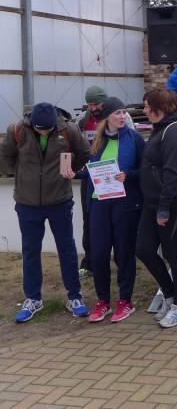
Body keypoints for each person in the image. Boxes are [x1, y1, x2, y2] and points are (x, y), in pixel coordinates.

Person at [1, 102, 91, 321]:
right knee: (30, 251)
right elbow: (6, 156)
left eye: (47, 129)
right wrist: (22, 177)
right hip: (27, 203)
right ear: (32, 123)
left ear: (54, 124)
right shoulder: (17, 130)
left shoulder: (68, 130)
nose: (43, 132)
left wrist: (71, 170)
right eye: (39, 129)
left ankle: (74, 296)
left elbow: (84, 154)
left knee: (66, 248)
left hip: (60, 201)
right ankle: (33, 298)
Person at [135, 89, 177, 329]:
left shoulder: (175, 130)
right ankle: (169, 295)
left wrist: (164, 208)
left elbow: (172, 171)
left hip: (171, 203)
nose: (144, 110)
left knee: (173, 253)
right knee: (143, 249)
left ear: (160, 107)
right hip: (151, 202)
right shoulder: (160, 128)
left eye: (147, 106)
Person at [85, 97, 144, 323]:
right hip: (99, 202)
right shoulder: (97, 140)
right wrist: (76, 173)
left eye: (124, 112)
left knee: (124, 253)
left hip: (124, 203)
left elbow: (145, 170)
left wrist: (129, 175)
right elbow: (93, 170)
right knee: (99, 254)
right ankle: (103, 301)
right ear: (107, 117)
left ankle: (125, 301)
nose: (122, 116)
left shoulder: (134, 138)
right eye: (117, 113)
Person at [75, 85, 135, 279]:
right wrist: (78, 169)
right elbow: (78, 145)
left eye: (96, 104)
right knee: (89, 219)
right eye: (89, 105)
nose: (93, 108)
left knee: (118, 224)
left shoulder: (122, 117)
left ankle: (121, 260)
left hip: (116, 178)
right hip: (92, 176)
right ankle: (90, 261)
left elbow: (131, 142)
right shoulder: (83, 119)